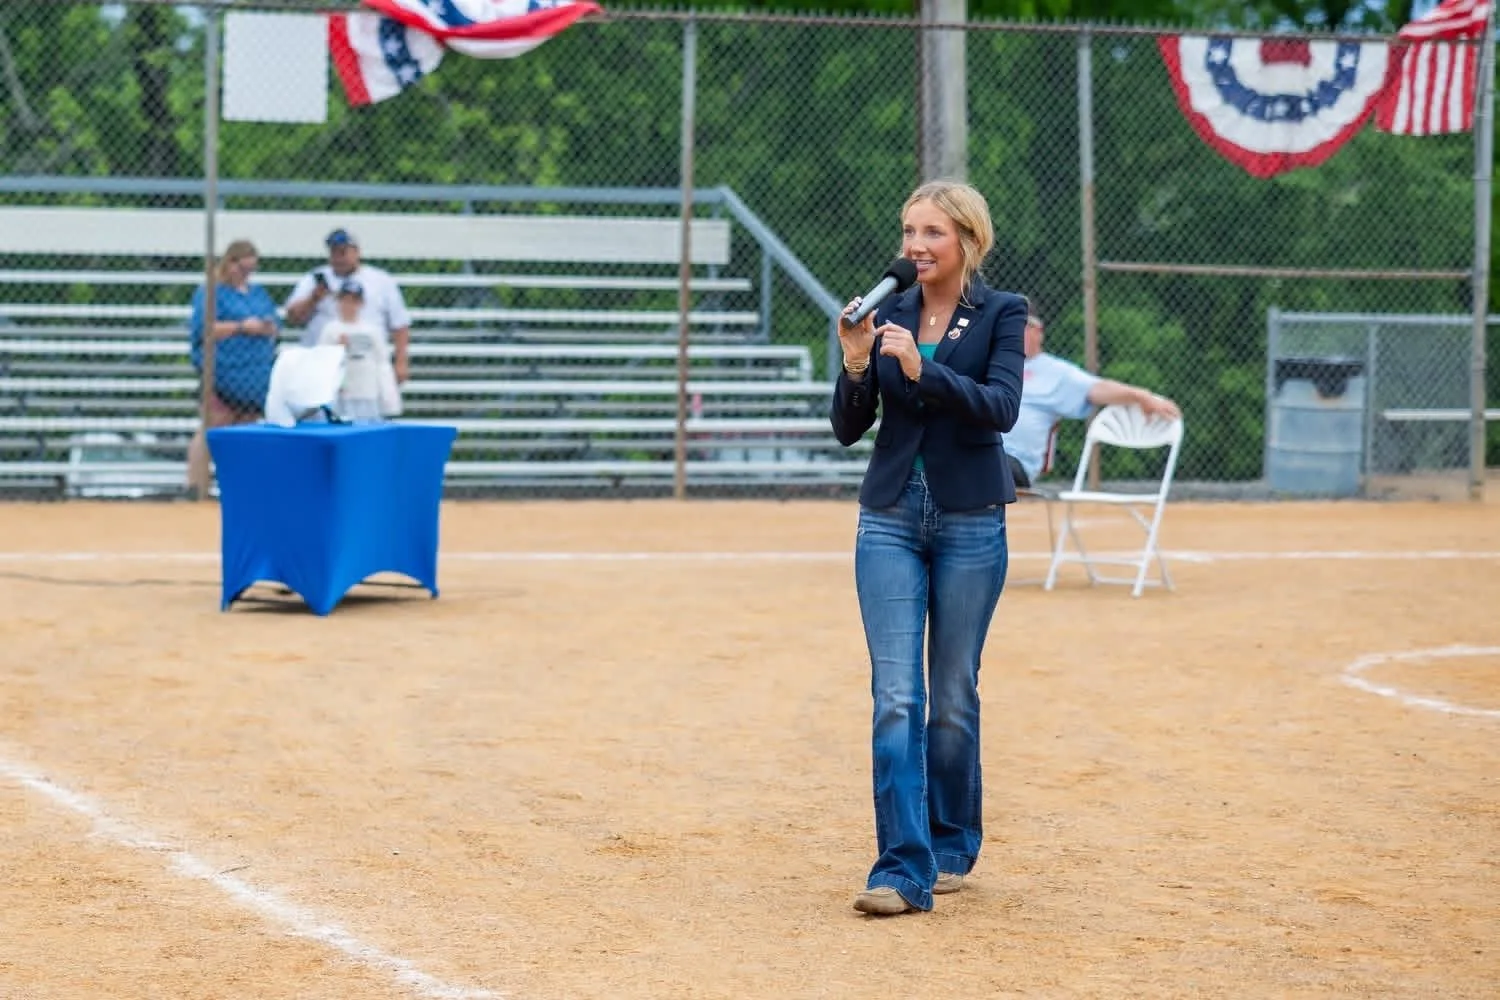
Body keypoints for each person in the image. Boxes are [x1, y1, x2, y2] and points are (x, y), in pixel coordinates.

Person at [830, 180, 1027, 916]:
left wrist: (923, 368)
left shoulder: (1002, 313)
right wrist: (857, 362)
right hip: (888, 516)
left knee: (951, 696)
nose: (916, 245)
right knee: (895, 696)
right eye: (909, 231)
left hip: (971, 517)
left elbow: (1000, 408)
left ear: (969, 240)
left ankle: (950, 842)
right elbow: (849, 428)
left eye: (933, 233)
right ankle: (900, 869)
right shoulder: (889, 311)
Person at [1005, 311, 1181, 488]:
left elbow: (1097, 388)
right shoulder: (994, 365)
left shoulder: (1055, 372)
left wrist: (1141, 396)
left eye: (1021, 326)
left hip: (1010, 462)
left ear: (1038, 331)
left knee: (990, 461)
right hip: (990, 453)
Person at [186, 239, 280, 495]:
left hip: (253, 376)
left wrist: (266, 327)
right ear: (229, 263)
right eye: (242, 268)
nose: (245, 274)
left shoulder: (257, 293)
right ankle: (196, 489)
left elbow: (274, 322)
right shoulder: (212, 292)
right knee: (212, 427)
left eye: (251, 269)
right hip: (222, 373)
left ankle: (239, 490)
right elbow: (204, 329)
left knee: (245, 433)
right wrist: (241, 327)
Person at [283, 228, 412, 391]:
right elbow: (293, 317)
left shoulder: (381, 281)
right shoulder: (315, 279)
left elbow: (399, 324)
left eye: (343, 252)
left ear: (356, 252)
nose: (338, 258)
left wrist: (401, 362)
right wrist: (314, 298)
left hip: (365, 360)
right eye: (333, 253)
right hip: (323, 361)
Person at [317, 279, 403, 422]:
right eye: (344, 300)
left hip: (367, 393)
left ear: (361, 303)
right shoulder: (330, 330)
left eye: (353, 301)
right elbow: (322, 360)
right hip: (340, 395)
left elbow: (382, 363)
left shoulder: (372, 331)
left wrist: (389, 400)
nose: (348, 306)